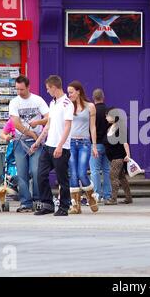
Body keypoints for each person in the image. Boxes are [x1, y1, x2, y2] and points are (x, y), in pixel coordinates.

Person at [31, 75, 74, 216]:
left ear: (54, 87)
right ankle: (47, 204)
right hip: (48, 145)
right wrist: (38, 142)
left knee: (62, 179)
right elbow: (48, 125)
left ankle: (64, 207)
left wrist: (60, 146)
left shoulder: (67, 104)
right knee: (40, 175)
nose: (47, 91)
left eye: (48, 89)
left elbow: (68, 126)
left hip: (61, 147)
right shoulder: (52, 103)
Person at [9, 75, 49, 213]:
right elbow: (15, 123)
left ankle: (38, 200)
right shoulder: (14, 102)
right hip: (20, 141)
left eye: (22, 89)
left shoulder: (38, 100)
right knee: (22, 173)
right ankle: (25, 202)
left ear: (28, 87)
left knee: (36, 170)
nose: (19, 92)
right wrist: (31, 133)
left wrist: (37, 123)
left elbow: (49, 117)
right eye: (17, 89)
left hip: (36, 142)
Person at [67, 80, 98, 214]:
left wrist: (94, 146)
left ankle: (91, 197)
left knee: (81, 173)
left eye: (71, 92)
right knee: (73, 174)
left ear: (78, 91)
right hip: (71, 143)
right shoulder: (68, 106)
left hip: (85, 143)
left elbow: (93, 127)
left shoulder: (90, 106)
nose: (69, 95)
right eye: (68, 93)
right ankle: (76, 205)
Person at [104, 108, 133, 205]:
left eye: (107, 115)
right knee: (121, 177)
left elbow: (125, 143)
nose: (106, 117)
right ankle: (128, 198)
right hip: (112, 157)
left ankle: (113, 199)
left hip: (119, 157)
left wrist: (128, 155)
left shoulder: (121, 128)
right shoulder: (110, 127)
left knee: (113, 176)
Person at [90, 88, 112, 203]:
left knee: (95, 171)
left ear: (93, 98)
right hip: (107, 145)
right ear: (103, 97)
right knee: (106, 170)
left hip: (95, 144)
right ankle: (108, 195)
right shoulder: (108, 111)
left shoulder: (92, 111)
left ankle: (97, 195)